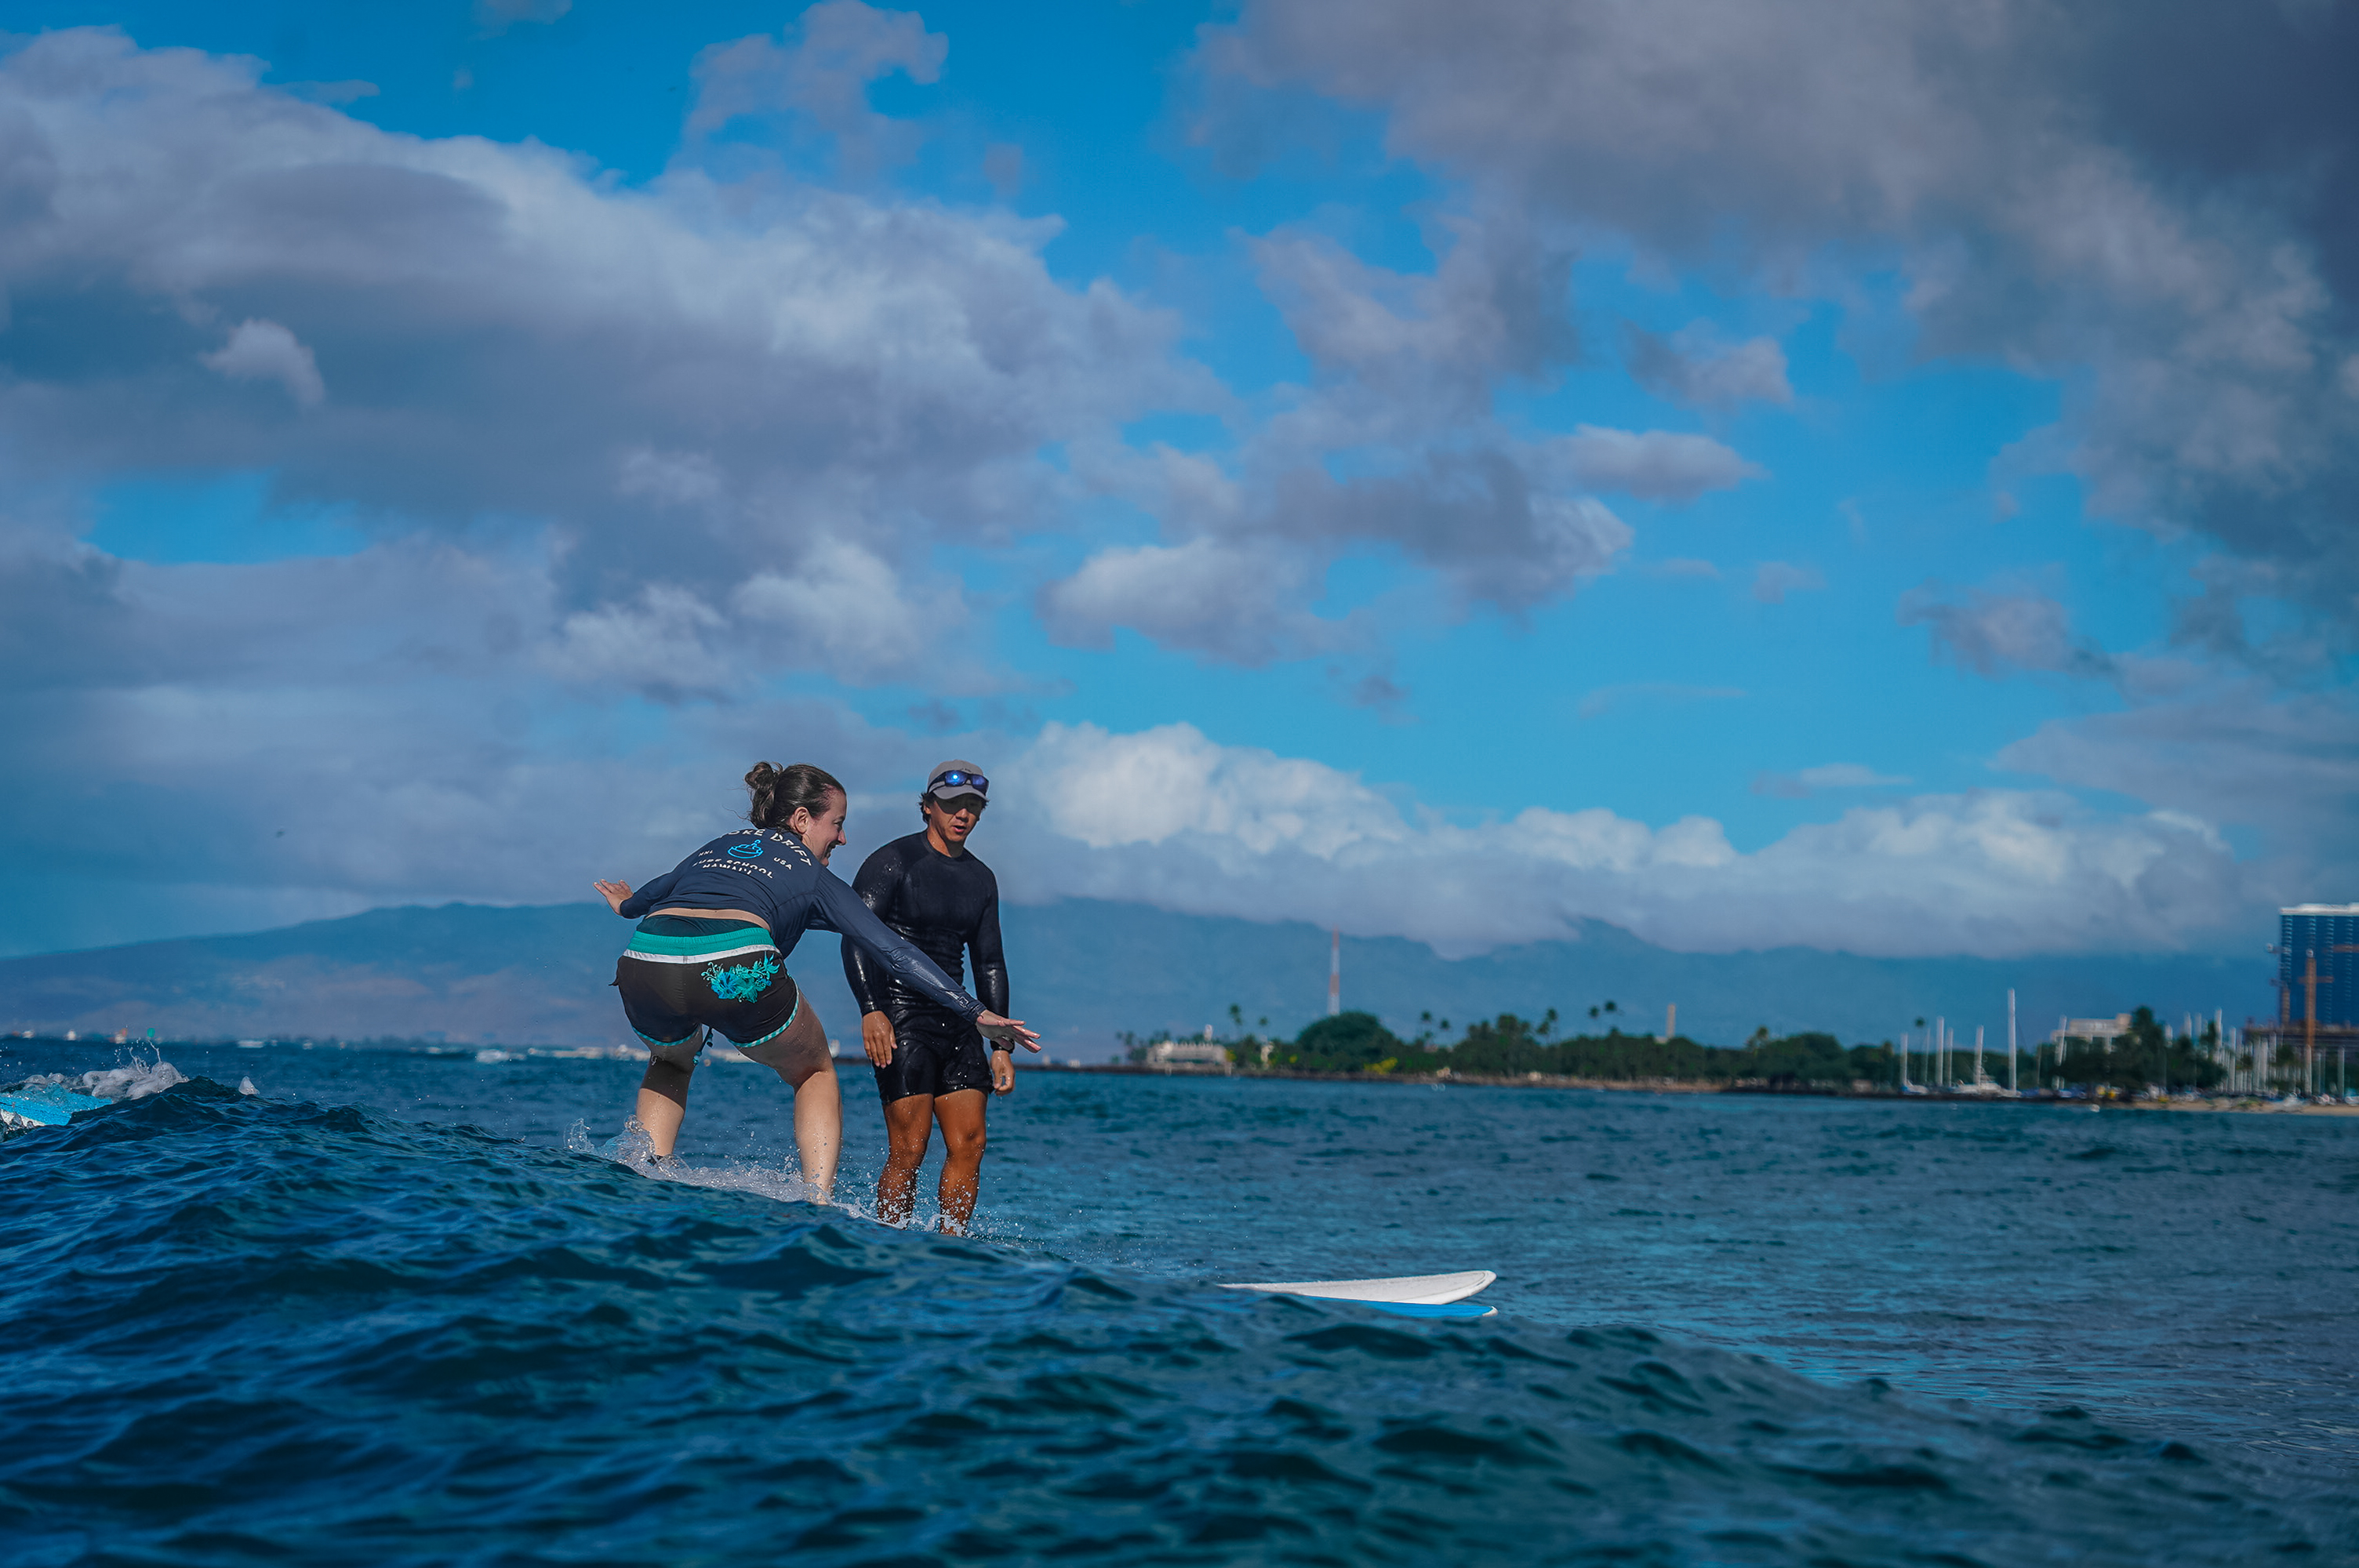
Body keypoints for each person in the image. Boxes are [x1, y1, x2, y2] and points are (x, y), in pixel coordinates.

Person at [591, 760, 1038, 1200]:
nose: (842, 838)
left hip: (644, 958)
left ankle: (645, 1179)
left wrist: (624, 905)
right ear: (802, 820)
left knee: (671, 1060)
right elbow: (894, 953)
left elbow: (648, 897)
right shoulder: (811, 871)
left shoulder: (719, 845)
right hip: (736, 958)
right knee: (814, 1070)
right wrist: (974, 1012)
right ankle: (816, 1203)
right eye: (837, 824)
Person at [844, 760, 1031, 1232]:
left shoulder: (982, 879)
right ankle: (890, 1240)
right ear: (927, 806)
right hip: (901, 1017)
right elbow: (856, 938)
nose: (962, 814)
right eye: (951, 804)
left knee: (970, 1143)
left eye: (972, 806)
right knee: (910, 1146)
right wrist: (872, 1010)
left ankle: (952, 1246)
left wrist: (1001, 1046)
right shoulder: (893, 861)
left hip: (958, 1019)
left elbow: (989, 962)